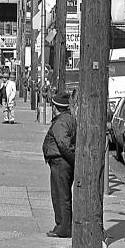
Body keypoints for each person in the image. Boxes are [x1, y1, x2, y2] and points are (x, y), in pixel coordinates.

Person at [42, 91, 77, 238]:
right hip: (62, 162)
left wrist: (73, 160)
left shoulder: (61, 122)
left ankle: (63, 228)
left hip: (60, 163)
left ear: (56, 107)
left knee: (60, 195)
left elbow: (64, 144)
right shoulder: (68, 119)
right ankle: (63, 226)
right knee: (62, 195)